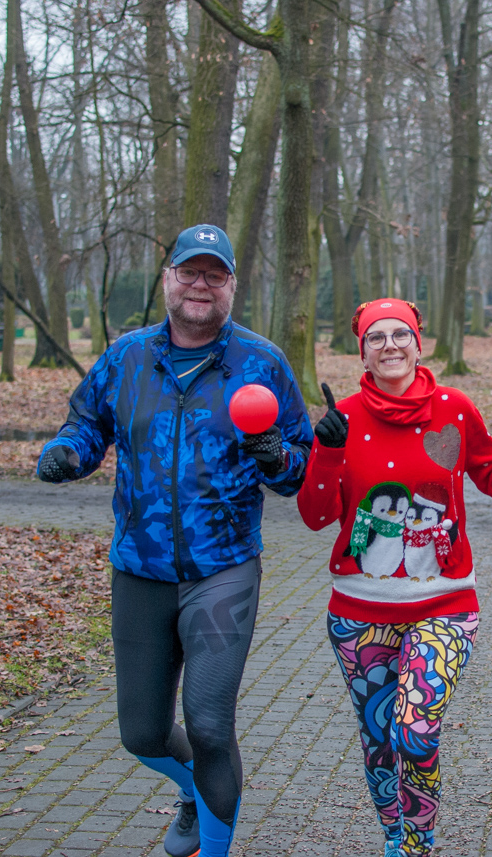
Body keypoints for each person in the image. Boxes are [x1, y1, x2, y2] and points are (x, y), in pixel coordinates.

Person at [35, 224, 313, 857]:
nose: (200, 285)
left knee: (211, 725)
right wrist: (64, 455)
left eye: (215, 276)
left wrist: (276, 457)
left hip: (223, 570)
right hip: (139, 568)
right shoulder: (126, 357)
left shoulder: (262, 364)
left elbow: (300, 466)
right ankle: (195, 790)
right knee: (142, 735)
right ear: (167, 280)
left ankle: (213, 844)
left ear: (232, 288)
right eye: (190, 272)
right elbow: (86, 427)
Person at [297, 300, 492, 857]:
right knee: (379, 742)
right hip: (358, 614)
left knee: (414, 730)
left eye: (399, 333)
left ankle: (420, 842)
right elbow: (314, 514)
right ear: (362, 350)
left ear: (418, 342)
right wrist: (327, 452)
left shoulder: (454, 409)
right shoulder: (345, 420)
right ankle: (393, 839)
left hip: (443, 606)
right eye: (374, 338)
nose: (389, 345)